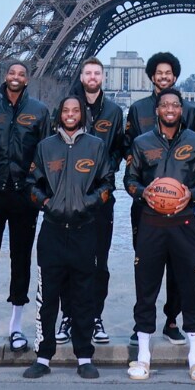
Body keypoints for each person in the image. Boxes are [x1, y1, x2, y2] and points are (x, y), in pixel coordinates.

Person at [23, 94, 115, 380]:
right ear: (59, 114)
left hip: (84, 231)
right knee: (46, 298)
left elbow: (107, 183)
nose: (71, 114)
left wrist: (87, 204)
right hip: (51, 231)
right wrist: (48, 204)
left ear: (82, 115)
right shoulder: (45, 147)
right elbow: (31, 184)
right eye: (66, 110)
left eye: (76, 110)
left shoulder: (96, 146)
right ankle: (43, 355)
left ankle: (84, 355)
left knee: (84, 297)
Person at [124, 88, 195, 382]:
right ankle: (144, 356)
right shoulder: (141, 142)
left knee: (190, 288)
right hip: (151, 223)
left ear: (182, 109)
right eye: (165, 105)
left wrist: (194, 194)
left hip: (184, 224)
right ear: (158, 110)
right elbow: (129, 180)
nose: (170, 109)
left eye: (176, 104)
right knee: (145, 290)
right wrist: (142, 193)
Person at [0, 62, 51, 355]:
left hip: (24, 196)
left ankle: (16, 326)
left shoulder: (40, 111)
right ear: (4, 76)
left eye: (21, 73)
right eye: (11, 73)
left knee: (21, 258)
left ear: (27, 79)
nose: (16, 77)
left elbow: (46, 151)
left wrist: (36, 186)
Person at [122, 52, 189, 346]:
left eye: (168, 73)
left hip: (180, 206)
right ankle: (143, 323)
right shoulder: (137, 110)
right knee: (145, 266)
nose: (163, 76)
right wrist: (143, 189)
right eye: (159, 72)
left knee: (179, 265)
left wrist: (189, 191)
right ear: (152, 76)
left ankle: (172, 320)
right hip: (146, 206)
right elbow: (128, 152)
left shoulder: (188, 112)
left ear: (174, 77)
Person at [71, 57, 125, 347]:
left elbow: (119, 147)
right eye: (88, 72)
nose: (92, 77)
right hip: (70, 196)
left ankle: (94, 316)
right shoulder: (68, 107)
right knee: (70, 259)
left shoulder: (115, 111)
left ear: (103, 77)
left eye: (97, 73)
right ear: (82, 77)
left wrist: (104, 168)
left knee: (99, 262)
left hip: (102, 196)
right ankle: (69, 315)